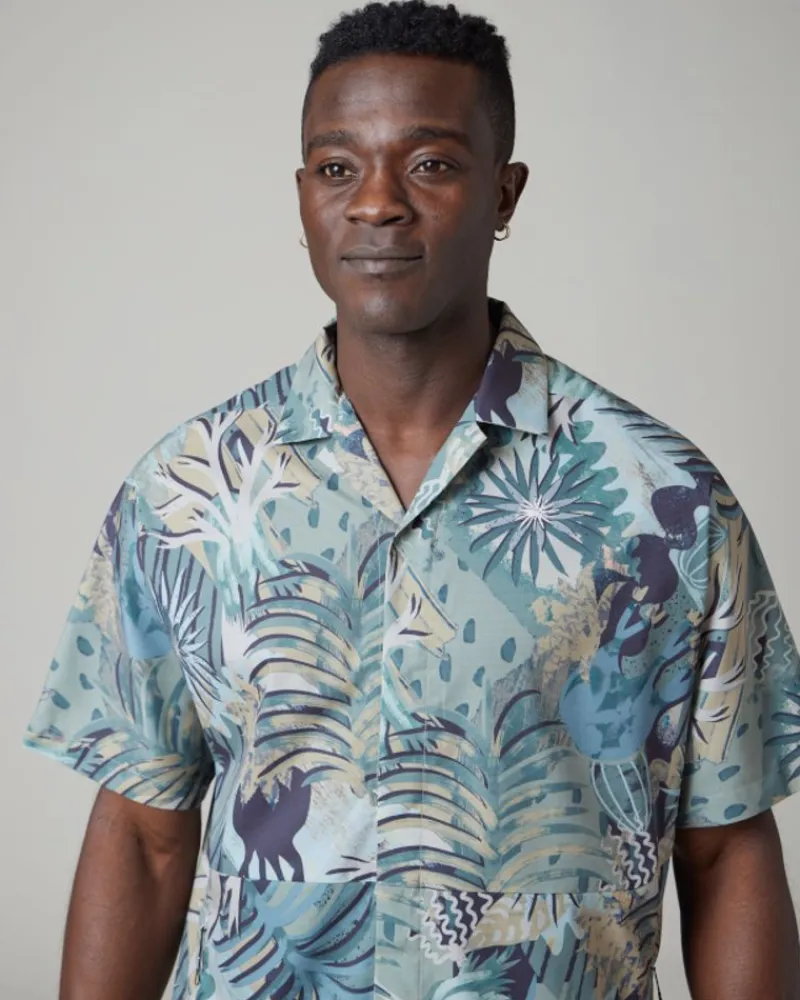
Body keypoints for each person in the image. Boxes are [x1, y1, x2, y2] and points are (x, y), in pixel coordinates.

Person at [25, 2, 800, 998]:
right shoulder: (187, 493)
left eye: (429, 163)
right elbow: (141, 836)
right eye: (336, 167)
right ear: (302, 196)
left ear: (504, 192)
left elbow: (726, 849)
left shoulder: (665, 502)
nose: (377, 203)